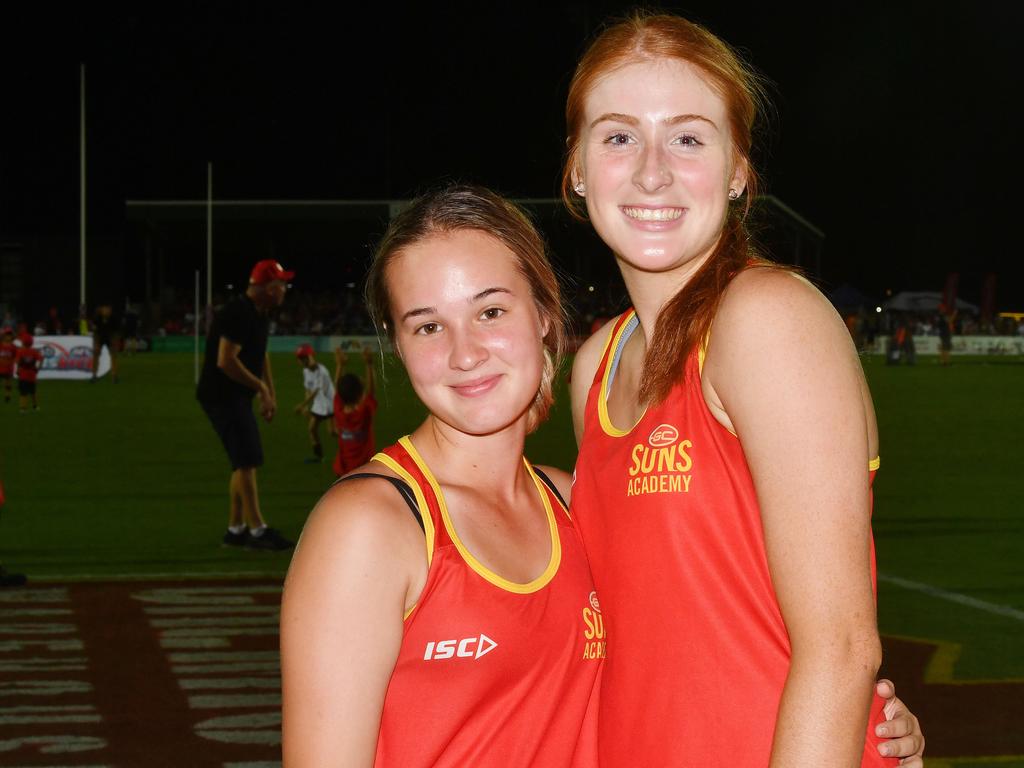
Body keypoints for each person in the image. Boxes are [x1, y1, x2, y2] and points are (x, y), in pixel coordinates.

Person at [280, 186, 922, 767]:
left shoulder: (579, 506)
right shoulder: (370, 528)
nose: (464, 351)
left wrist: (869, 730)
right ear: (398, 345)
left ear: (545, 318)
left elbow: (700, 640)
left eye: (492, 311)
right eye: (427, 326)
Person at [562, 12, 922, 766]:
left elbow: (842, 648)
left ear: (738, 173)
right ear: (577, 168)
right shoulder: (596, 364)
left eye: (689, 138)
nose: (652, 171)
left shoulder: (766, 318)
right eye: (619, 135)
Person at [196, 259, 295, 551]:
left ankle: (236, 528)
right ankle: (257, 530)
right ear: (265, 287)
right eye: (281, 284)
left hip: (236, 395)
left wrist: (269, 393)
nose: (285, 289)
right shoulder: (237, 312)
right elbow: (226, 360)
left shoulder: (260, 313)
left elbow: (260, 354)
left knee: (242, 461)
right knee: (247, 460)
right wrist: (260, 387)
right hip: (221, 394)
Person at [330, 344, 377, 477]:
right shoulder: (364, 413)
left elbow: (337, 390)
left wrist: (340, 365)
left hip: (344, 471)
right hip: (365, 470)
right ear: (361, 394)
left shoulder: (339, 411)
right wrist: (369, 364)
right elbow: (371, 393)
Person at [293, 343, 335, 463]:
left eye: (301, 358)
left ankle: (355, 444)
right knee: (312, 429)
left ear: (307, 358)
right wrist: (307, 406)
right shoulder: (306, 371)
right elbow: (308, 389)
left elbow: (316, 391)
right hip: (320, 405)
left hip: (330, 404)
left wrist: (303, 405)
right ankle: (319, 456)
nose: (299, 361)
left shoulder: (321, 371)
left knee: (333, 432)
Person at [91, 304, 120, 383]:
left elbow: (116, 330)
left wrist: (114, 340)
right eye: (104, 309)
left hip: (110, 337)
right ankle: (94, 375)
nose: (106, 311)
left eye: (107, 309)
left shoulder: (113, 317)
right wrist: (96, 342)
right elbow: (94, 329)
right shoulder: (97, 317)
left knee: (114, 355)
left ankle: (114, 375)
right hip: (99, 336)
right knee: (96, 354)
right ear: (101, 309)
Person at [14, 333, 42, 413]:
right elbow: (41, 359)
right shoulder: (34, 351)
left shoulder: (20, 351)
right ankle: (35, 406)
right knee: (33, 392)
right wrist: (38, 369)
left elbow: (17, 362)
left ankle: (23, 408)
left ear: (23, 342)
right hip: (32, 374)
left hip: (23, 374)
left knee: (23, 393)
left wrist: (17, 371)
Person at [0, 327, 15, 403]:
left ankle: (7, 396)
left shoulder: (13, 347)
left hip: (9, 368)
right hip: (0, 367)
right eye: (7, 335)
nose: (8, 336)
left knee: (8, 382)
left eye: (9, 335)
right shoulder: (1, 345)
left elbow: (16, 357)